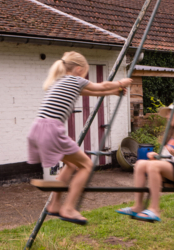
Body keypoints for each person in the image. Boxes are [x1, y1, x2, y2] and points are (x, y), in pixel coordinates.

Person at [27, 51, 132, 225]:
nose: (86, 76)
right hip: (52, 129)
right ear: (78, 69)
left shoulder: (60, 82)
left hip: (37, 129)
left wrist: (114, 92)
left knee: (72, 164)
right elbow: (100, 86)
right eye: (85, 72)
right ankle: (68, 208)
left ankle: (54, 205)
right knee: (87, 165)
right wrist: (120, 83)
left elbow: (91, 92)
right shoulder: (75, 79)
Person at [116, 102, 174, 222]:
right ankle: (138, 206)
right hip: (171, 170)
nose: (167, 117)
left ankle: (155, 210)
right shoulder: (172, 135)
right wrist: (157, 157)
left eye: (171, 114)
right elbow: (166, 159)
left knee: (154, 166)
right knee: (140, 164)